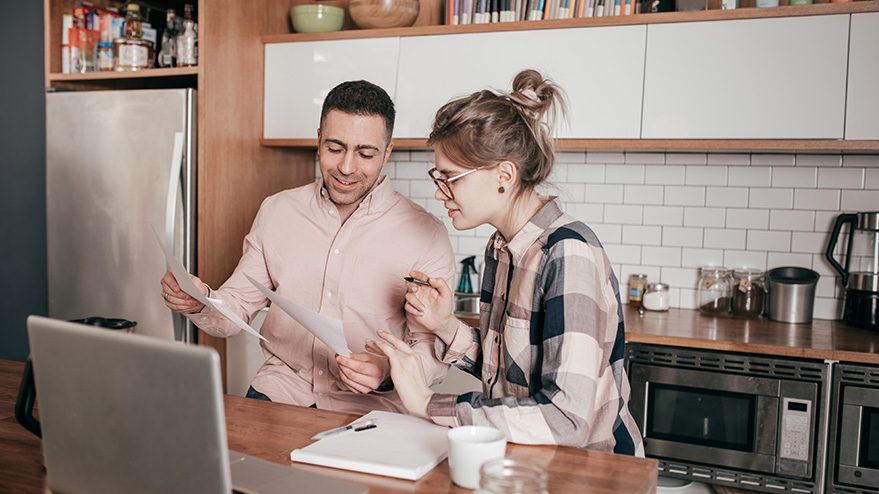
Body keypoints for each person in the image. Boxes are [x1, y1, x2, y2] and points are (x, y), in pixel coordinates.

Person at [368, 70, 644, 455]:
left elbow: (567, 418)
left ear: (504, 174)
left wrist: (428, 402)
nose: (439, 192)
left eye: (451, 177)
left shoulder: (568, 253)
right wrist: (445, 326)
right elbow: (512, 372)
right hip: (526, 460)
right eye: (438, 176)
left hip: (589, 472)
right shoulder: (501, 249)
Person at [160, 80, 456, 414]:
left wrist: (388, 372)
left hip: (372, 410)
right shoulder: (277, 211)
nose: (346, 167)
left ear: (387, 153)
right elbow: (235, 310)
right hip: (281, 391)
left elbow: (432, 352)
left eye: (365, 153)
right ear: (318, 140)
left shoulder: (426, 234)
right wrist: (200, 300)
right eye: (335, 148)